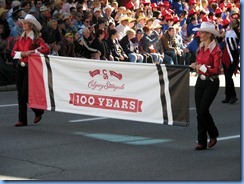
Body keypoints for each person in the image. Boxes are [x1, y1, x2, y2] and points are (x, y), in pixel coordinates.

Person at [11, 14, 50, 127]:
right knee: (20, 94)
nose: (24, 25)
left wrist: (32, 53)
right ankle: (23, 119)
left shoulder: (37, 40)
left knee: (24, 93)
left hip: (31, 68)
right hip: (20, 67)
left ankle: (37, 111)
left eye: (26, 23)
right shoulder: (19, 38)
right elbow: (13, 53)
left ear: (31, 25)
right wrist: (23, 54)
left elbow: (46, 49)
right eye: (23, 23)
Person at [190, 22, 221, 150]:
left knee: (203, 109)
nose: (200, 34)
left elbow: (216, 70)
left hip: (212, 82)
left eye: (202, 32)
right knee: (199, 112)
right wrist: (195, 64)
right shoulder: (201, 47)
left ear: (209, 34)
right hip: (201, 81)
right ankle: (201, 141)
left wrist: (201, 67)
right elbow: (200, 62)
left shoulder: (216, 50)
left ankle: (213, 133)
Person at [221, 18, 240, 104]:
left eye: (234, 22)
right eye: (231, 21)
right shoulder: (227, 32)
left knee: (229, 76)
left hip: (233, 56)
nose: (231, 22)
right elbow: (220, 38)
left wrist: (234, 28)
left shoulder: (237, 32)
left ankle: (233, 96)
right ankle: (228, 96)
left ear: (236, 25)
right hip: (226, 56)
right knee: (226, 76)